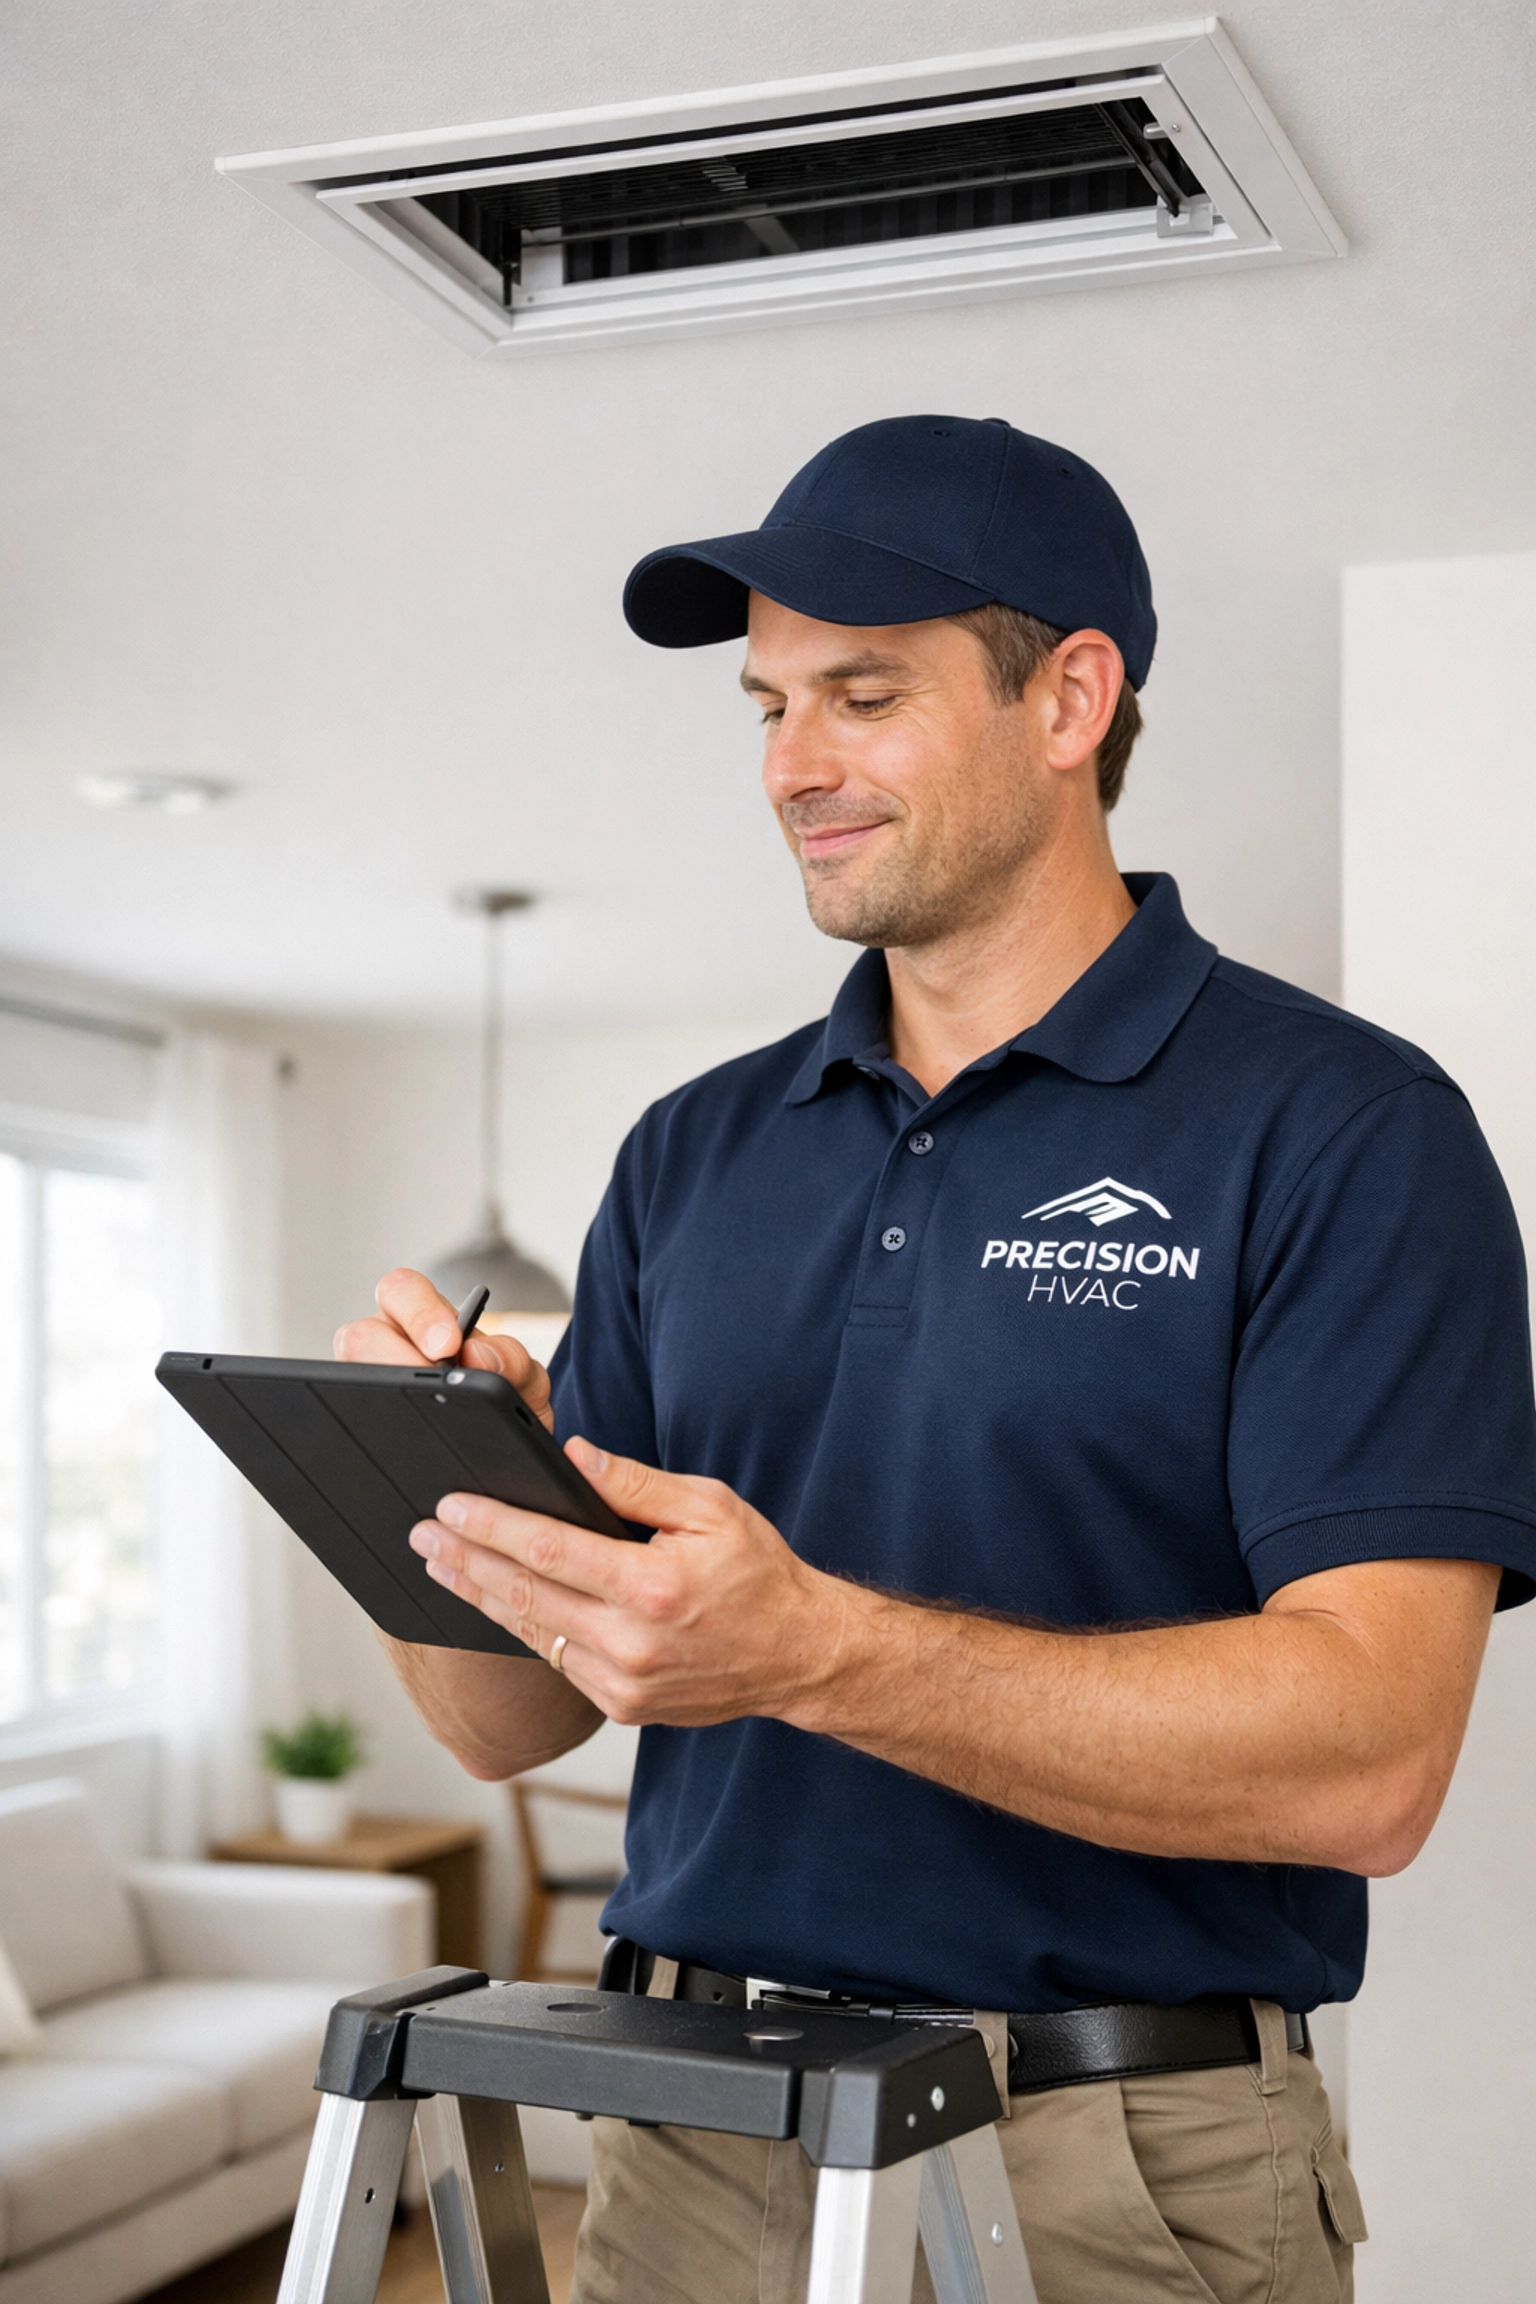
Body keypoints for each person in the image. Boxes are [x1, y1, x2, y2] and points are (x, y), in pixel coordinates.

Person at [339, 415, 1536, 2304]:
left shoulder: (1347, 1132)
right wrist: (428, 1488)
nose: (790, 767)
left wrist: (820, 1650)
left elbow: (1372, 1759)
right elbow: (520, 1721)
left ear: (1070, 699)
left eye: (864, 696)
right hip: (686, 2145)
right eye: (765, 706)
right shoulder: (691, 1152)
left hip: (1115, 2176)